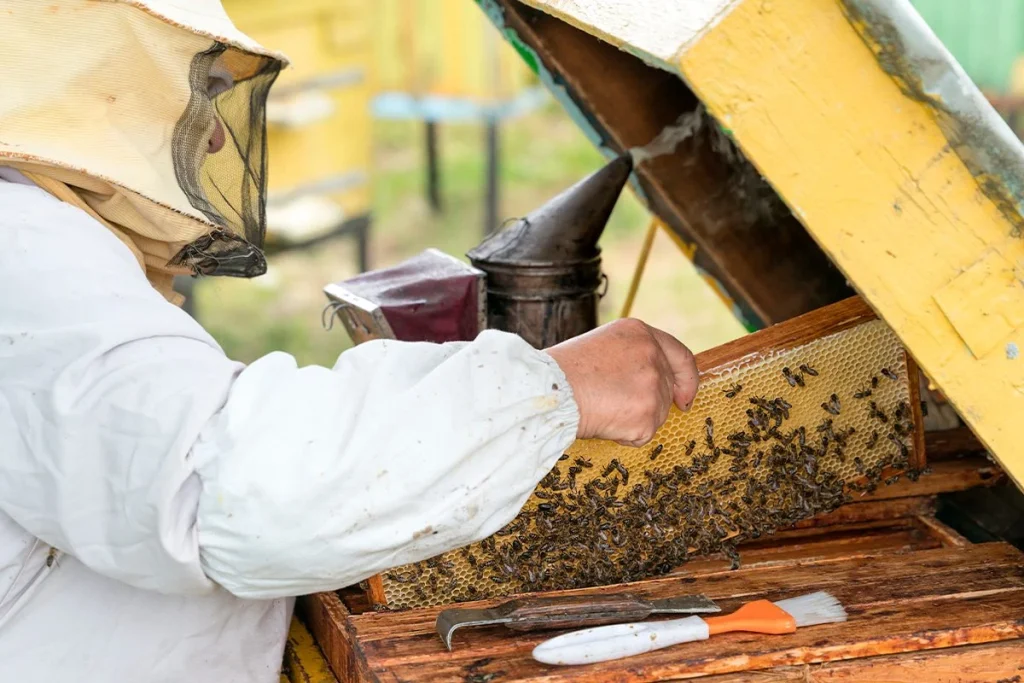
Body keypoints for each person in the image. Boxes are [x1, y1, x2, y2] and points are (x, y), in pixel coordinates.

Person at [0, 1, 699, 680]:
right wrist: (552, 389)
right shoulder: (23, 248)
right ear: (91, 76)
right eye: (201, 90)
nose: (215, 137)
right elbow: (235, 493)